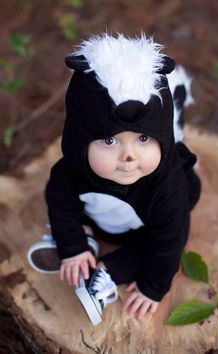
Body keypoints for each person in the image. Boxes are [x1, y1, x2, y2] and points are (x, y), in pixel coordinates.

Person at [27, 33, 201, 326]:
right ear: (80, 139)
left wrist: (154, 287)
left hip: (144, 227)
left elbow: (167, 244)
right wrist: (72, 247)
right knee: (67, 216)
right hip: (103, 214)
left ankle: (106, 272)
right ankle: (83, 241)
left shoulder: (167, 189)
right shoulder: (71, 171)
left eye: (144, 138)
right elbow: (59, 201)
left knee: (171, 240)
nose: (129, 156)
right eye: (109, 140)